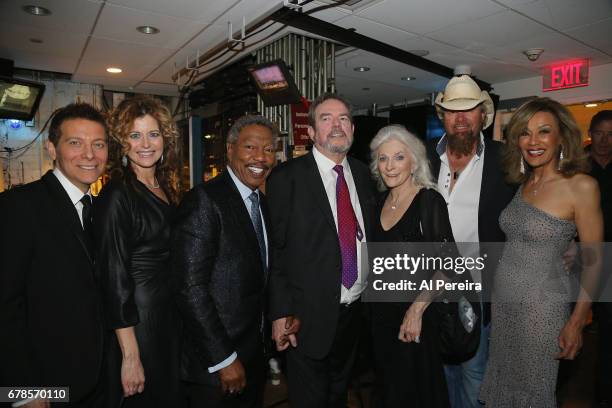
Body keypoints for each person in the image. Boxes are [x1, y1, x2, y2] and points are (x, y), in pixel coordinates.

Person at [480, 97, 602, 407]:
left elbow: (596, 261)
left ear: (561, 136)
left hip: (541, 311)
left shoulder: (581, 186)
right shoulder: (523, 182)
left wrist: (577, 321)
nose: (533, 141)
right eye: (524, 132)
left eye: (543, 131)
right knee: (504, 387)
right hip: (504, 306)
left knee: (532, 392)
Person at [266, 93, 377, 407]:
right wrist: (279, 313)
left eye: (343, 118)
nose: (336, 125)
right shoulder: (287, 178)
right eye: (326, 118)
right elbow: (276, 252)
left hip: (354, 314)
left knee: (338, 396)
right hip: (305, 318)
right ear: (312, 132)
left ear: (353, 129)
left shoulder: (365, 176)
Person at [0, 103, 108, 407]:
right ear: (52, 148)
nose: (89, 154)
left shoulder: (100, 210)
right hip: (45, 387)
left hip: (97, 381)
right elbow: (5, 305)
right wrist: (24, 391)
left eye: (98, 144)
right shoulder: (18, 207)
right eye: (75, 143)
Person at [172, 115, 277, 408]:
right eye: (250, 147)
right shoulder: (204, 200)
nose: (260, 157)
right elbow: (189, 288)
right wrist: (223, 358)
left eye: (269, 150)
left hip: (253, 356)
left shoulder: (261, 203)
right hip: (216, 365)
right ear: (230, 150)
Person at [426, 74, 516, 408]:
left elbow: (530, 208)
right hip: (431, 290)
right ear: (443, 117)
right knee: (440, 374)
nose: (461, 119)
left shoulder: (505, 159)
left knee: (474, 378)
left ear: (483, 116)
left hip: (479, 291)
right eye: (452, 111)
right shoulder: (423, 158)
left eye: (469, 110)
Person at [94, 96, 182, 407]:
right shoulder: (118, 195)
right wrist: (130, 355)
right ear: (122, 143)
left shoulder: (165, 185)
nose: (145, 144)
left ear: (165, 139)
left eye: (153, 134)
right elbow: (113, 279)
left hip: (168, 319)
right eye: (134, 135)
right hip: (138, 325)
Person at [369, 125, 455, 407]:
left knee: (415, 394)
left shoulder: (428, 201)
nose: (390, 166)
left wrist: (416, 310)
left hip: (414, 318)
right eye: (383, 159)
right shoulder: (378, 202)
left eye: (398, 157)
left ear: (414, 162)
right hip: (381, 319)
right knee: (389, 392)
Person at [587, 110, 611, 406]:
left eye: (611, 134)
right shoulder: (576, 168)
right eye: (600, 133)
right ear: (591, 132)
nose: (605, 140)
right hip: (579, 259)